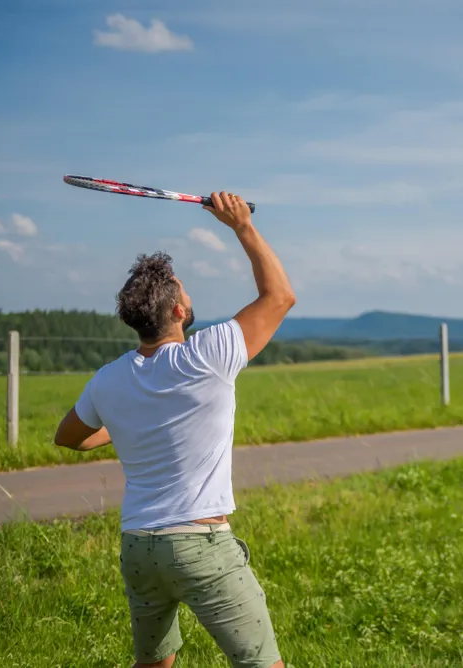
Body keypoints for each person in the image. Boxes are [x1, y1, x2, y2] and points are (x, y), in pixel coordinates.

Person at [53, 191, 295, 668]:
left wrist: (122, 432)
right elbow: (280, 296)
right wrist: (241, 225)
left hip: (139, 546)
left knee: (154, 664)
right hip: (199, 544)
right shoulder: (208, 354)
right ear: (179, 312)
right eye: (184, 291)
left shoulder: (108, 380)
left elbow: (70, 436)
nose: (188, 295)